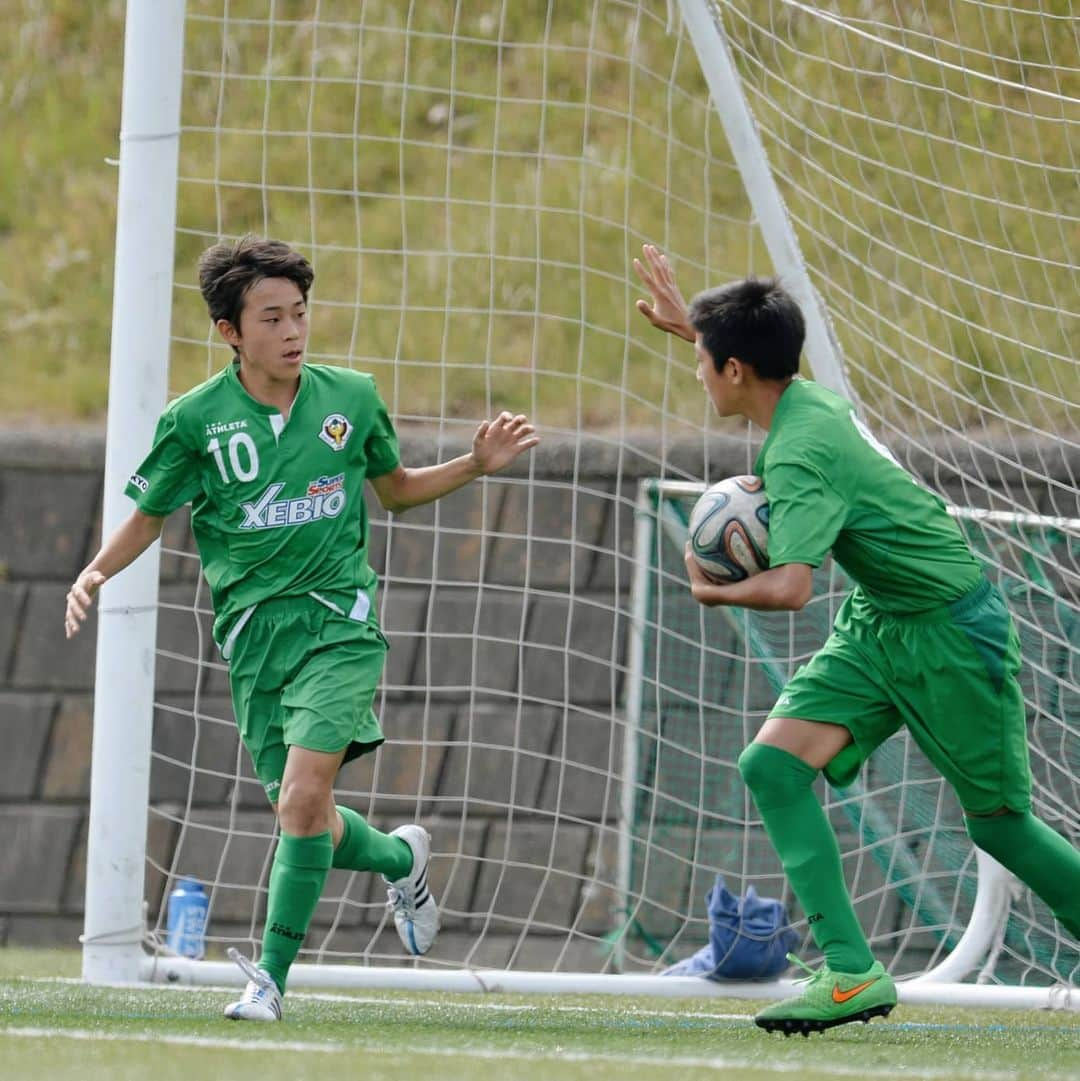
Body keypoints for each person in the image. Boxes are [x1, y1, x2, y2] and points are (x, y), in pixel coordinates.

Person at [65, 235, 539, 1022]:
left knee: (301, 795)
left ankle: (270, 981)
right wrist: (94, 571)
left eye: (300, 313)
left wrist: (473, 464)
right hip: (255, 640)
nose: (293, 331)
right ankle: (400, 857)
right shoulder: (195, 421)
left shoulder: (350, 397)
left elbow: (396, 489)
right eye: (272, 317)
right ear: (229, 332)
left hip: (338, 625)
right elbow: (149, 517)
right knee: (305, 814)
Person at [634, 243, 1080, 1035]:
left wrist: (712, 586)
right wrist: (689, 327)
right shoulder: (802, 403)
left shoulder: (801, 450)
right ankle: (850, 973)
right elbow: (755, 369)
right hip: (881, 623)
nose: (700, 372)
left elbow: (791, 585)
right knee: (771, 766)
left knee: (999, 824)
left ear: (736, 370)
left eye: (704, 360)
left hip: (949, 631)